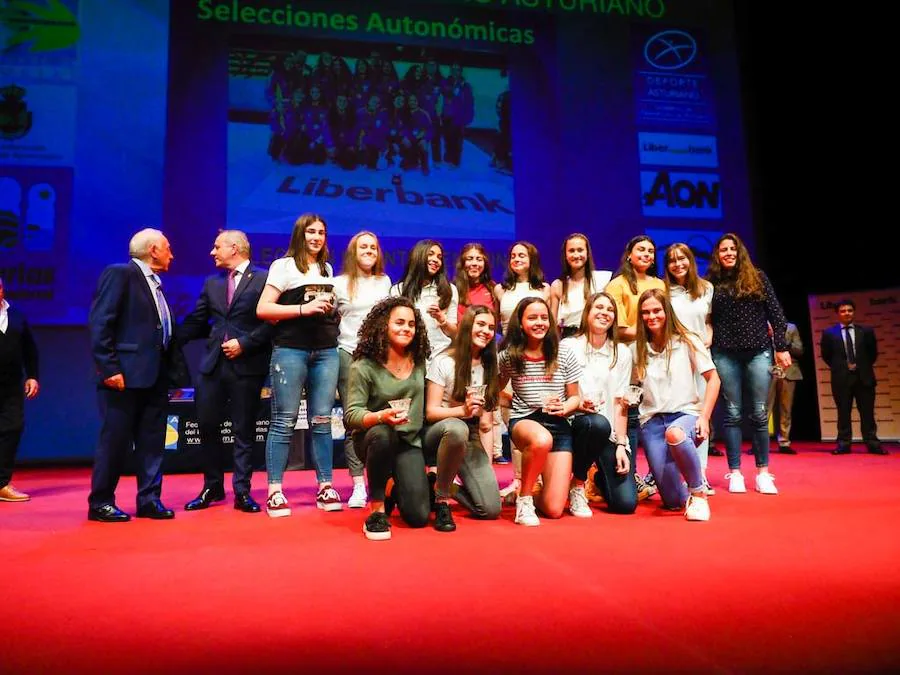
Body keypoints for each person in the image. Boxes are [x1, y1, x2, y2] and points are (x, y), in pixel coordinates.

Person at [87, 228, 184, 522]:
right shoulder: (121, 274)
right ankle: (101, 502)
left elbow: (162, 333)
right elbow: (101, 323)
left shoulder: (156, 284)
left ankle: (149, 500)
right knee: (115, 441)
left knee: (153, 441)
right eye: (168, 247)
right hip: (124, 377)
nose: (172, 254)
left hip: (155, 377)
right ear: (153, 249)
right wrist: (109, 368)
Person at [177, 230, 273, 514]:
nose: (212, 252)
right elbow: (197, 320)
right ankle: (212, 486)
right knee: (207, 426)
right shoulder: (212, 283)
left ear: (235, 248)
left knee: (244, 430)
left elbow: (272, 322)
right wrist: (168, 338)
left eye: (217, 246)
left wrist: (245, 343)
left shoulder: (265, 279)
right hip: (212, 366)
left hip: (247, 365)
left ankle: (242, 491)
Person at [256, 213, 341, 517]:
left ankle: (326, 485)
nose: (316, 238)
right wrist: (304, 308)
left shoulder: (327, 268)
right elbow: (263, 308)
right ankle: (275, 490)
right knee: (284, 420)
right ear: (299, 235)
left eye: (321, 232)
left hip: (326, 351)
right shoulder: (283, 266)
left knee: (321, 420)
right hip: (291, 350)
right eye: (310, 232)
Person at [707, 233, 790, 494]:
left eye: (733, 249)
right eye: (723, 250)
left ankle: (763, 473)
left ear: (739, 252)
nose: (729, 253)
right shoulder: (711, 283)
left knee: (759, 412)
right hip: (724, 353)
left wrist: (782, 348)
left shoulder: (758, 277)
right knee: (732, 413)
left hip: (758, 352)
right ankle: (735, 473)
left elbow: (777, 315)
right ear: (717, 255)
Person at [344, 297, 432, 541]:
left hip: (408, 442)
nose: (406, 328)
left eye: (411, 324)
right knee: (383, 434)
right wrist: (380, 416)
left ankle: (394, 485)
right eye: (399, 322)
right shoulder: (363, 365)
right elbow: (351, 415)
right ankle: (377, 511)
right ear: (383, 325)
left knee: (418, 517)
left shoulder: (421, 361)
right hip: (374, 439)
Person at [633, 289, 721, 521]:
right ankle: (682, 488)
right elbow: (633, 386)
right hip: (651, 421)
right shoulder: (638, 347)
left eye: (656, 310)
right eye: (645, 312)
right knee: (672, 501)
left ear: (666, 312)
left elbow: (714, 379)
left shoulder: (687, 340)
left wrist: (704, 417)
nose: (651, 316)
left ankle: (699, 493)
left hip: (685, 414)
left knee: (675, 434)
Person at [498, 297, 583, 526]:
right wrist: (512, 401)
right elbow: (492, 390)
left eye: (544, 318)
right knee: (541, 439)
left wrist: (565, 407)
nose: (539, 323)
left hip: (559, 423)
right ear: (521, 323)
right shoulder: (509, 356)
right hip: (525, 420)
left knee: (554, 509)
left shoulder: (563, 353)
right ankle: (524, 501)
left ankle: (526, 495)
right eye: (532, 318)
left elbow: (576, 396)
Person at [424, 304, 503, 530]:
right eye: (480, 324)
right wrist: (462, 411)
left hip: (471, 433)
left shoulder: (490, 365)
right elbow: (431, 412)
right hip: (440, 432)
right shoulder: (444, 361)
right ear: (467, 326)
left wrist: (485, 466)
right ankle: (441, 500)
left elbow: (486, 424)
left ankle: (442, 485)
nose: (486, 331)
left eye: (490, 327)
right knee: (458, 428)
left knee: (490, 509)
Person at [561, 292, 637, 515]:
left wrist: (622, 445)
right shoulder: (568, 346)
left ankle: (597, 476)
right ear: (587, 313)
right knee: (596, 423)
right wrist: (576, 404)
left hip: (607, 433)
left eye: (610, 310)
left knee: (625, 504)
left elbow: (621, 403)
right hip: (576, 426)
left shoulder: (621, 353)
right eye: (599, 308)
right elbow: (559, 391)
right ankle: (577, 484)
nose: (604, 313)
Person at [333, 231, 392, 508]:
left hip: (381, 358)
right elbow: (330, 320)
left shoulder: (385, 282)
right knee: (353, 421)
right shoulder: (339, 283)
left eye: (372, 247)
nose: (368, 251)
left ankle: (380, 482)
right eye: (362, 247)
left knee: (383, 420)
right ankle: (358, 484)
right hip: (349, 356)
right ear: (352, 252)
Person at [605, 235, 665, 499]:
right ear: (629, 254)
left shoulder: (659, 284)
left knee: (656, 411)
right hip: (628, 355)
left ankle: (658, 472)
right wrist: (643, 333)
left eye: (651, 251)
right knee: (628, 413)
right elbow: (616, 326)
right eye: (641, 249)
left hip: (656, 352)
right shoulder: (617, 285)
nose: (647, 254)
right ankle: (629, 470)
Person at [494, 241, 550, 496]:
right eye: (513, 255)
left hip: (537, 358)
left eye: (522, 255)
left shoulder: (545, 289)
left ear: (532, 259)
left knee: (536, 419)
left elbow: (551, 327)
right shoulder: (499, 289)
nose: (517, 259)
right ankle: (519, 480)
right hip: (510, 355)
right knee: (513, 417)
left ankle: (536, 479)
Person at [663, 243, 715, 492]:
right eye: (672, 260)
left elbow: (709, 321)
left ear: (691, 260)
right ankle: (676, 471)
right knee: (678, 415)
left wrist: (708, 337)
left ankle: (700, 472)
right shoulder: (663, 291)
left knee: (701, 416)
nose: (678, 264)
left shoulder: (706, 288)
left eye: (682, 258)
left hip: (701, 357)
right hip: (675, 359)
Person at [453, 243, 504, 464]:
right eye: (470, 259)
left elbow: (498, 324)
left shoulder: (494, 289)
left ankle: (489, 462)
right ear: (462, 263)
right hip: (460, 357)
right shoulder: (454, 289)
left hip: (487, 355)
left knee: (487, 417)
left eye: (479, 259)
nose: (474, 263)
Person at [820, 299, 885, 455]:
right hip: (841, 379)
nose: (847, 313)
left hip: (864, 377)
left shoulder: (866, 331)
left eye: (849, 310)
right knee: (843, 412)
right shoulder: (829, 333)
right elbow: (827, 356)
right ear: (838, 314)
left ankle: (872, 443)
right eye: (843, 311)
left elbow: (872, 354)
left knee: (868, 413)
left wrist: (860, 366)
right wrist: (843, 367)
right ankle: (844, 443)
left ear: (854, 312)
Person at [0, 276, 39, 502]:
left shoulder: (17, 315)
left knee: (12, 429)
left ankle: (2, 483)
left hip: (12, 385)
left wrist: (33, 376)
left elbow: (30, 350)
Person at [390, 239, 458, 365]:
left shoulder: (450, 290)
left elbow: (454, 333)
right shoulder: (398, 290)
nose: (436, 260)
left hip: (440, 357)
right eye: (430, 254)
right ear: (419, 256)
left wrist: (442, 320)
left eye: (439, 257)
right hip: (409, 358)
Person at [550, 233, 612, 339]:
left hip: (596, 338)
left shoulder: (603, 279)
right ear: (565, 255)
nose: (576, 255)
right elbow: (552, 323)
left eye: (580, 250)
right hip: (568, 340)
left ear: (587, 253)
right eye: (571, 251)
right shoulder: (558, 285)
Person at [767, 321, 803, 454]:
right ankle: (760, 443)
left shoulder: (791, 327)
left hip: (788, 370)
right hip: (768, 370)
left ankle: (784, 442)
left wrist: (782, 341)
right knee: (763, 409)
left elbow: (799, 350)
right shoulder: (761, 325)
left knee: (785, 408)